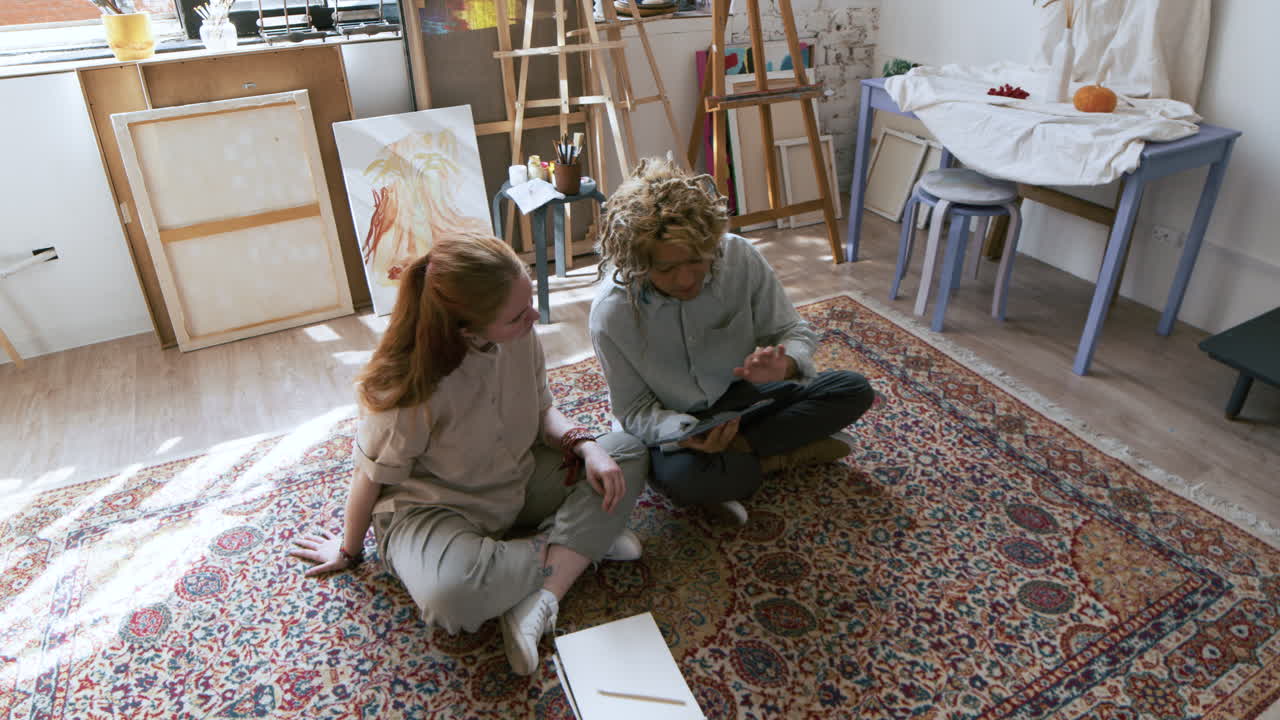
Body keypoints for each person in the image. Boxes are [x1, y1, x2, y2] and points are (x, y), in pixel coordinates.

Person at [290, 234, 648, 676]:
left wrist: (585, 445)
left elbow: (542, 411)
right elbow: (370, 476)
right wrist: (348, 550)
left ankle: (543, 580)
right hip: (435, 510)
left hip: (517, 479)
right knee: (451, 598)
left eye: (530, 302)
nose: (534, 317)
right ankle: (578, 547)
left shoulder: (520, 332)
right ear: (465, 327)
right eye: (518, 315)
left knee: (626, 453)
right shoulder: (408, 383)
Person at [588, 157, 875, 524]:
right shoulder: (611, 315)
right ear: (638, 264)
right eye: (666, 269)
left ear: (711, 244)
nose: (685, 279)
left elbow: (795, 332)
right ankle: (776, 454)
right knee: (681, 481)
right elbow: (633, 411)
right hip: (682, 420)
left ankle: (739, 459)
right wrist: (684, 434)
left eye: (696, 260)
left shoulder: (738, 256)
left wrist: (784, 363)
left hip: (749, 400)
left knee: (853, 389)